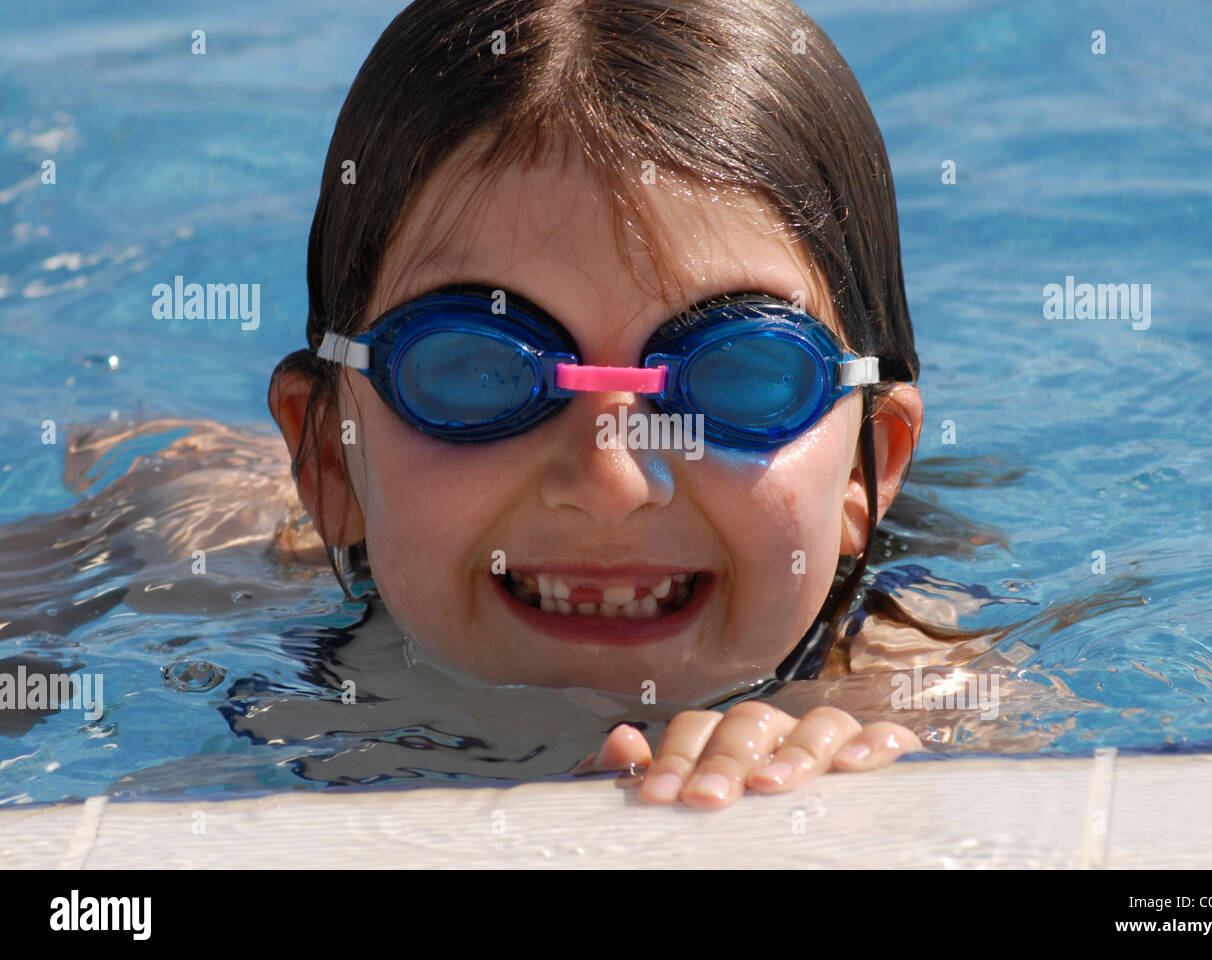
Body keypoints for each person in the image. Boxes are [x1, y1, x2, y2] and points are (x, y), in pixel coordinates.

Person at [267, 0, 933, 809]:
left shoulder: (912, 690)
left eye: (737, 376)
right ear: (330, 463)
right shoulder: (252, 663)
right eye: (480, 370)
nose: (612, 482)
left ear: (872, 469)